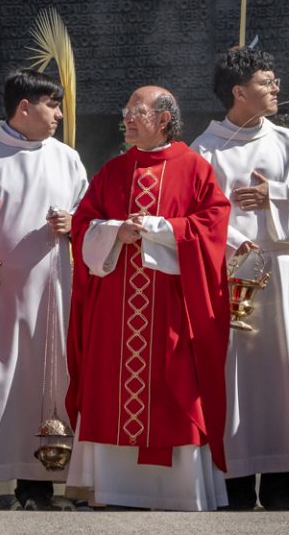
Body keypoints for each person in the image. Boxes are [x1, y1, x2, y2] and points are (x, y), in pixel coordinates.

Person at [65, 85, 231, 510]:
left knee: (173, 387)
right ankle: (114, 489)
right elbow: (84, 224)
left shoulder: (194, 168)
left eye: (137, 111)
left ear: (163, 118)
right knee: (110, 387)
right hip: (116, 309)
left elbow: (212, 226)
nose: (128, 118)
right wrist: (113, 232)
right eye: (126, 110)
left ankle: (176, 491)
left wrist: (163, 230)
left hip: (170, 307)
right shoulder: (113, 170)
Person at [188, 47, 289, 511]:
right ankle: (235, 483)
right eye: (267, 82)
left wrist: (277, 197)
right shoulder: (202, 151)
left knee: (286, 374)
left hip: (284, 274)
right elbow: (192, 216)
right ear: (239, 92)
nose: (276, 89)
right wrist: (229, 244)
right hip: (227, 278)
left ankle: (283, 483)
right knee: (234, 378)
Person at [0, 68, 88, 511]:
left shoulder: (67, 158)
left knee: (45, 381)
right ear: (24, 108)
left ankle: (38, 483)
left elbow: (85, 215)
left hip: (49, 294)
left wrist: (73, 225)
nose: (58, 113)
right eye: (51, 105)